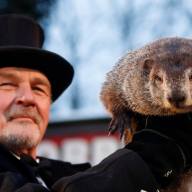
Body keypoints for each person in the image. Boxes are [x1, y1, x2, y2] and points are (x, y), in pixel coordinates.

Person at [0, 14, 191, 192]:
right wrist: (151, 158)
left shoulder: (67, 173)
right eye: (7, 85)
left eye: (38, 89)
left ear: (49, 103)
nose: (27, 98)